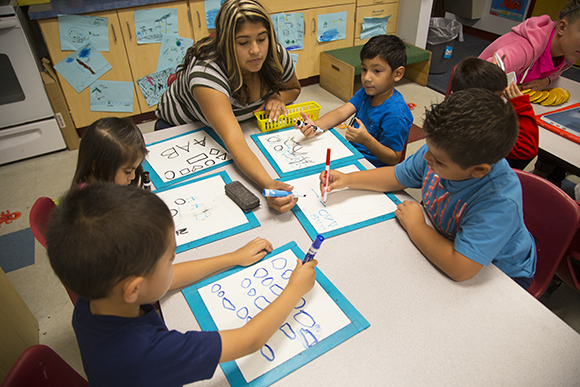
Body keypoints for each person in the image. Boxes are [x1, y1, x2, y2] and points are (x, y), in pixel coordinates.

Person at [45, 183, 317, 387]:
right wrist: (295, 288)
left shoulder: (94, 295)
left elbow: (168, 278)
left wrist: (233, 257)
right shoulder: (149, 353)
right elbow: (250, 340)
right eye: (170, 257)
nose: (174, 262)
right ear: (133, 289)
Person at [320, 89, 537, 289]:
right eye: (428, 148)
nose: (426, 158)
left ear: (479, 170)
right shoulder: (442, 149)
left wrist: (416, 227)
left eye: (439, 161)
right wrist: (348, 179)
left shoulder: (498, 200)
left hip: (500, 275)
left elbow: (460, 268)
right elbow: (396, 176)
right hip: (444, 239)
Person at [156, 0, 302, 213]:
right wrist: (268, 185)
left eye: (262, 39)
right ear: (225, 43)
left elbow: (294, 89)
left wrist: (278, 97)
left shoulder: (275, 53)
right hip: (183, 129)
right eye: (243, 43)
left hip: (238, 122)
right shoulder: (207, 72)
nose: (256, 50)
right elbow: (234, 142)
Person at [296, 35, 412, 168]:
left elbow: (393, 159)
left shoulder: (396, 114)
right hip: (352, 155)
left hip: (373, 169)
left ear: (397, 74)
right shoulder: (366, 92)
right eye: (364, 69)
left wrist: (366, 140)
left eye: (377, 71)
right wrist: (315, 126)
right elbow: (341, 113)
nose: (367, 78)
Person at [451, 57, 539, 170]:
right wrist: (522, 106)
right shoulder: (482, 130)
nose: (502, 100)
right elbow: (527, 149)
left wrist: (493, 79)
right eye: (498, 97)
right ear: (479, 102)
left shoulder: (457, 103)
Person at [479, 0, 580, 92]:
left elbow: (557, 71)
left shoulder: (570, 53)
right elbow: (477, 83)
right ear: (562, 27)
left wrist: (547, 80)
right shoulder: (523, 50)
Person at [71, 117, 147, 188]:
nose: (133, 177)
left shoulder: (109, 185)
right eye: (128, 172)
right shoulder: (90, 199)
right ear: (99, 166)